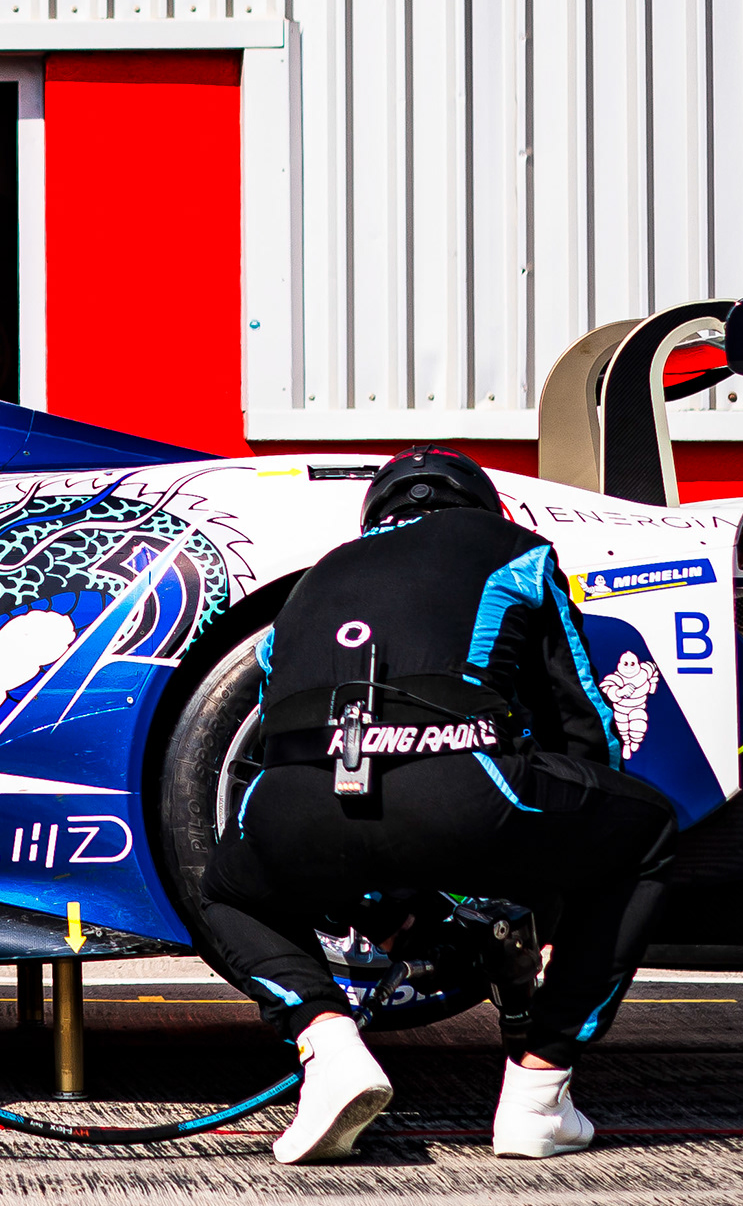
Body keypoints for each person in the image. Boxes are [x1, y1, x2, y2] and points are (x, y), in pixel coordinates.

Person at [187, 449, 678, 1165]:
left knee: (227, 891)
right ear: (482, 507)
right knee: (648, 831)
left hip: (293, 808)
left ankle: (326, 1044)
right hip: (455, 789)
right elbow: (586, 726)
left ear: (376, 515)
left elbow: (282, 726)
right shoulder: (519, 550)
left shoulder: (310, 580)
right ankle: (540, 1093)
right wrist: (558, 885)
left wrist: (389, 895)